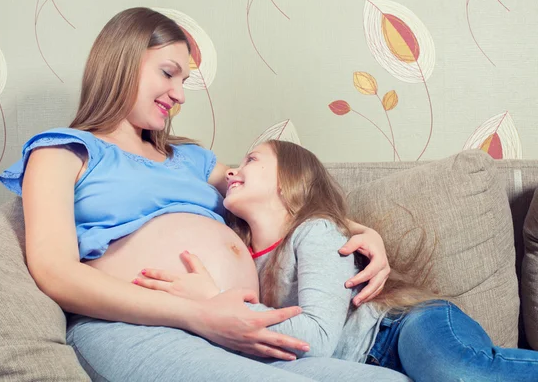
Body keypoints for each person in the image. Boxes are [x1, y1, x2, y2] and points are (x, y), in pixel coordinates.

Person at [0, 7, 408, 381]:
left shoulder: (189, 158)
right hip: (138, 326)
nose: (179, 94)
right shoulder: (61, 151)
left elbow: (280, 192)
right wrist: (196, 313)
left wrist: (357, 230)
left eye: (184, 81)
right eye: (168, 73)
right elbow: (55, 273)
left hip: (233, 324)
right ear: (121, 62)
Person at [138, 139, 538, 382]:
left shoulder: (316, 232)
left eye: (251, 160)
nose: (232, 173)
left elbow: (317, 337)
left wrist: (218, 303)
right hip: (371, 359)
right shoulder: (243, 254)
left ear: (287, 180)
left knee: (456, 373)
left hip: (403, 326)